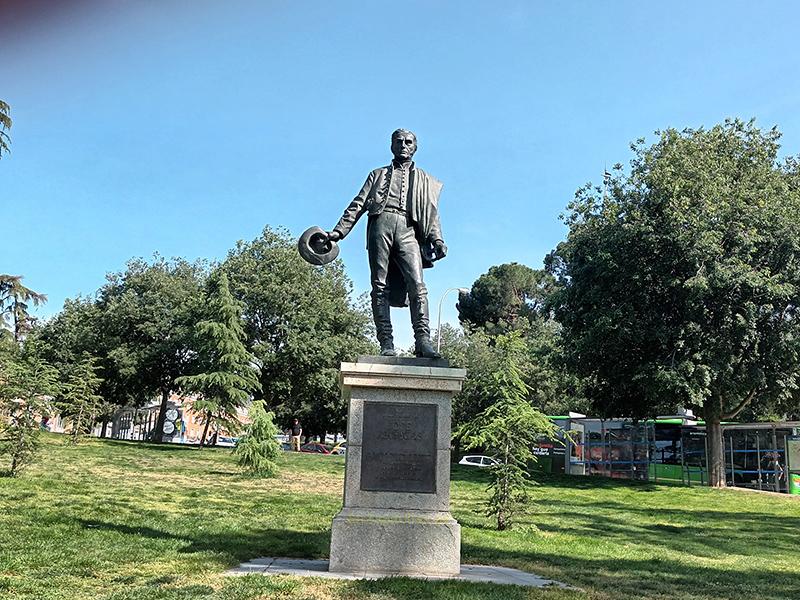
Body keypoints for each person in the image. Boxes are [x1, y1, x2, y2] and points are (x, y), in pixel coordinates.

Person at [327, 129, 447, 358]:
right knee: (379, 285)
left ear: (415, 147)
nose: (403, 145)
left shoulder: (425, 180)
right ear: (391, 145)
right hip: (380, 224)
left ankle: (423, 340)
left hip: (408, 229)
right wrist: (338, 232)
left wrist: (437, 239)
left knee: (418, 285)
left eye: (408, 142)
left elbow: (432, 213)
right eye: (399, 141)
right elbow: (358, 204)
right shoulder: (377, 175)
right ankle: (386, 342)